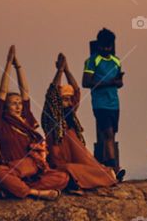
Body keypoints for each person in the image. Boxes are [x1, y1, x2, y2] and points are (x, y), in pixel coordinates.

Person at [0, 45, 68, 200]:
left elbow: (25, 91)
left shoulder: (26, 120)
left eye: (19, 103)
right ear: (5, 107)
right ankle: (34, 193)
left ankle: (17, 189)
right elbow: (2, 92)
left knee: (62, 178)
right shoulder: (0, 123)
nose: (18, 106)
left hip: (32, 170)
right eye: (13, 103)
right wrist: (8, 64)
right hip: (13, 169)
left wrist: (18, 66)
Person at [42, 53, 122, 193]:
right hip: (61, 165)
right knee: (70, 170)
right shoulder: (51, 119)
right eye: (64, 99)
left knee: (92, 165)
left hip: (77, 161)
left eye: (69, 99)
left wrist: (67, 70)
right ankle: (108, 176)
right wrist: (60, 71)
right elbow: (52, 94)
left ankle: (109, 175)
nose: (68, 103)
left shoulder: (71, 117)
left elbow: (77, 91)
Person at [82, 28, 123, 171]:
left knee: (111, 135)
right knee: (108, 133)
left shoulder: (116, 61)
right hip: (100, 103)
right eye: (104, 46)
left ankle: (107, 166)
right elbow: (86, 82)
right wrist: (108, 83)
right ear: (99, 45)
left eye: (109, 46)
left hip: (114, 103)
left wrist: (118, 82)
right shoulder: (92, 61)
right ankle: (113, 166)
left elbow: (119, 82)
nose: (106, 49)